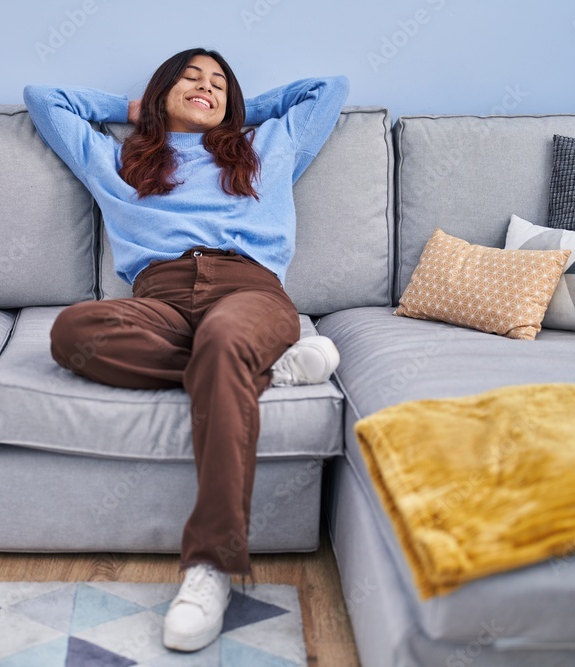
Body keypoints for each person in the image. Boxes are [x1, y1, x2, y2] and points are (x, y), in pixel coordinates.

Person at [24, 48, 348, 652]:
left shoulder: (266, 147)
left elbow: (329, 87)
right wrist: (136, 109)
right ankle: (267, 370)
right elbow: (44, 99)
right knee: (72, 332)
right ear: (160, 92)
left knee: (226, 339)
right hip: (161, 298)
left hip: (247, 289)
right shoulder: (118, 157)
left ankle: (211, 566)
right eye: (190, 78)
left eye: (220, 84)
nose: (206, 87)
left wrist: (243, 112)